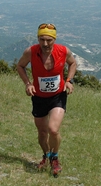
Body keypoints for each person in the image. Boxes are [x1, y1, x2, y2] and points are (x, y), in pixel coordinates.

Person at [16, 23, 77, 177]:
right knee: (42, 133)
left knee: (53, 129)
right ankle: (46, 156)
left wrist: (69, 80)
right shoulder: (31, 52)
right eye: (41, 39)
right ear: (38, 38)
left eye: (49, 40)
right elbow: (20, 66)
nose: (45, 44)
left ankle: (55, 158)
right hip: (39, 97)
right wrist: (28, 84)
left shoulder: (63, 51)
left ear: (54, 40)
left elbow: (73, 63)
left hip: (57, 96)